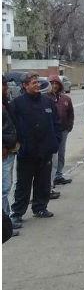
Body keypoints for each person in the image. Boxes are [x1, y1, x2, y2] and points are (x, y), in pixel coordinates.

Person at [9, 74, 60, 227]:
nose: (37, 85)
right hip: (27, 151)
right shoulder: (17, 104)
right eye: (33, 83)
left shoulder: (48, 102)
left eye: (38, 82)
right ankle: (17, 213)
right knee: (23, 184)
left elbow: (56, 123)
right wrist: (19, 144)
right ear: (25, 86)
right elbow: (11, 125)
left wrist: (55, 140)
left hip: (46, 149)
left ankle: (40, 207)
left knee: (43, 181)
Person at [47, 76, 74, 189]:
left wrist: (69, 126)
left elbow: (70, 114)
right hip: (50, 131)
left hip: (63, 130)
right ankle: (50, 179)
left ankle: (58, 175)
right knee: (53, 156)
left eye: (56, 83)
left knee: (61, 153)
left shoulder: (65, 99)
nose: (54, 85)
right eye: (52, 83)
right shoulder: (45, 98)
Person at [2, 79, 19, 227]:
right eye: (3, 85)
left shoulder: (5, 102)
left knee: (7, 186)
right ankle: (5, 224)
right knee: (3, 188)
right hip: (4, 151)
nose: (6, 88)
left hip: (10, 149)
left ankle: (6, 220)